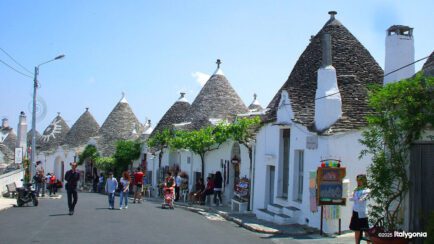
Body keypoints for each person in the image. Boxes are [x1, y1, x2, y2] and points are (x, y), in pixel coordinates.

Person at [349, 174, 371, 244]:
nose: (359, 182)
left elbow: (363, 199)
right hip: (355, 211)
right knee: (356, 230)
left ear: (364, 181)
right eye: (357, 180)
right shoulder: (356, 189)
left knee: (366, 230)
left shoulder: (367, 190)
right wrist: (353, 197)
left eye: (360, 180)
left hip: (362, 212)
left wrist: (358, 198)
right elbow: (351, 198)